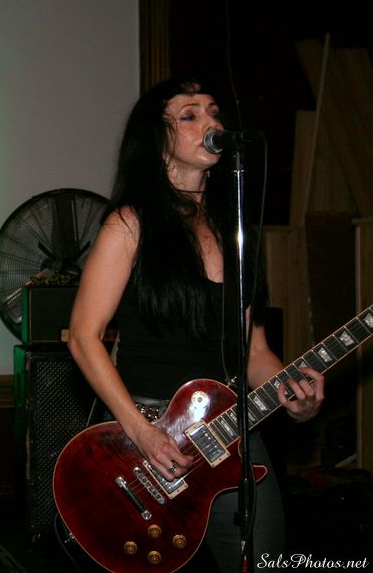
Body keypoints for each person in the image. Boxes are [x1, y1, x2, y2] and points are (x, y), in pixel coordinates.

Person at [66, 78, 324, 572]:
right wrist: (142, 433)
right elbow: (83, 336)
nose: (211, 122)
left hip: (231, 432)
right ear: (157, 138)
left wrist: (296, 398)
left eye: (214, 112)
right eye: (190, 114)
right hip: (149, 436)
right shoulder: (130, 223)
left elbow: (254, 353)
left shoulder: (238, 232)